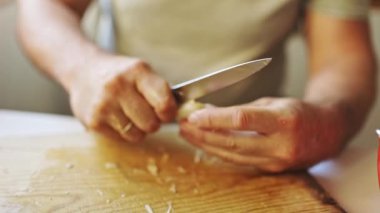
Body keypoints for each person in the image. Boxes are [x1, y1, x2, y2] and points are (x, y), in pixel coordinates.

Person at [17, 0, 376, 172]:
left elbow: (341, 56)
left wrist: (327, 121)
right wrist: (82, 67)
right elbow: (43, 7)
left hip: (254, 161)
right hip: (112, 141)